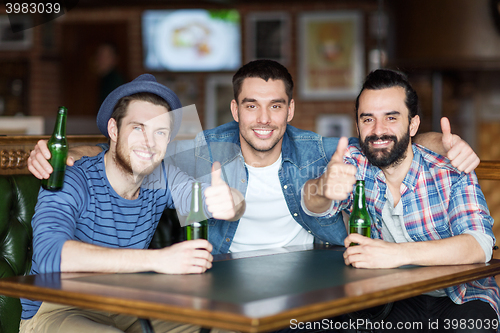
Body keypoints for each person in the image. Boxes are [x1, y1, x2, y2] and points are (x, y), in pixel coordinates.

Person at [28, 60, 480, 255]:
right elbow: (137, 149)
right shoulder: (199, 142)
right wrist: (68, 150)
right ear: (234, 110)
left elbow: (382, 143)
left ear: (291, 110)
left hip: (313, 271)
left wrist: (447, 145)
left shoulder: (319, 147)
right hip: (224, 274)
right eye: (251, 105)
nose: (264, 119)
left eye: (276, 106)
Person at [20, 74, 245, 333]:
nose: (149, 143)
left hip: (126, 303)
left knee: (226, 326)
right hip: (58, 307)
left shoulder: (162, 176)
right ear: (114, 130)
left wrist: (233, 201)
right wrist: (157, 260)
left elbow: (207, 198)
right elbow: (51, 257)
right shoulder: (72, 177)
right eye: (138, 127)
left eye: (160, 132)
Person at [302, 69, 499, 332]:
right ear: (358, 125)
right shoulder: (355, 162)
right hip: (399, 296)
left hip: (462, 296)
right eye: (368, 119)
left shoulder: (450, 168)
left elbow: (480, 244)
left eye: (391, 118)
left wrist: (393, 254)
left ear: (413, 125)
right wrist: (322, 187)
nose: (378, 130)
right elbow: (313, 207)